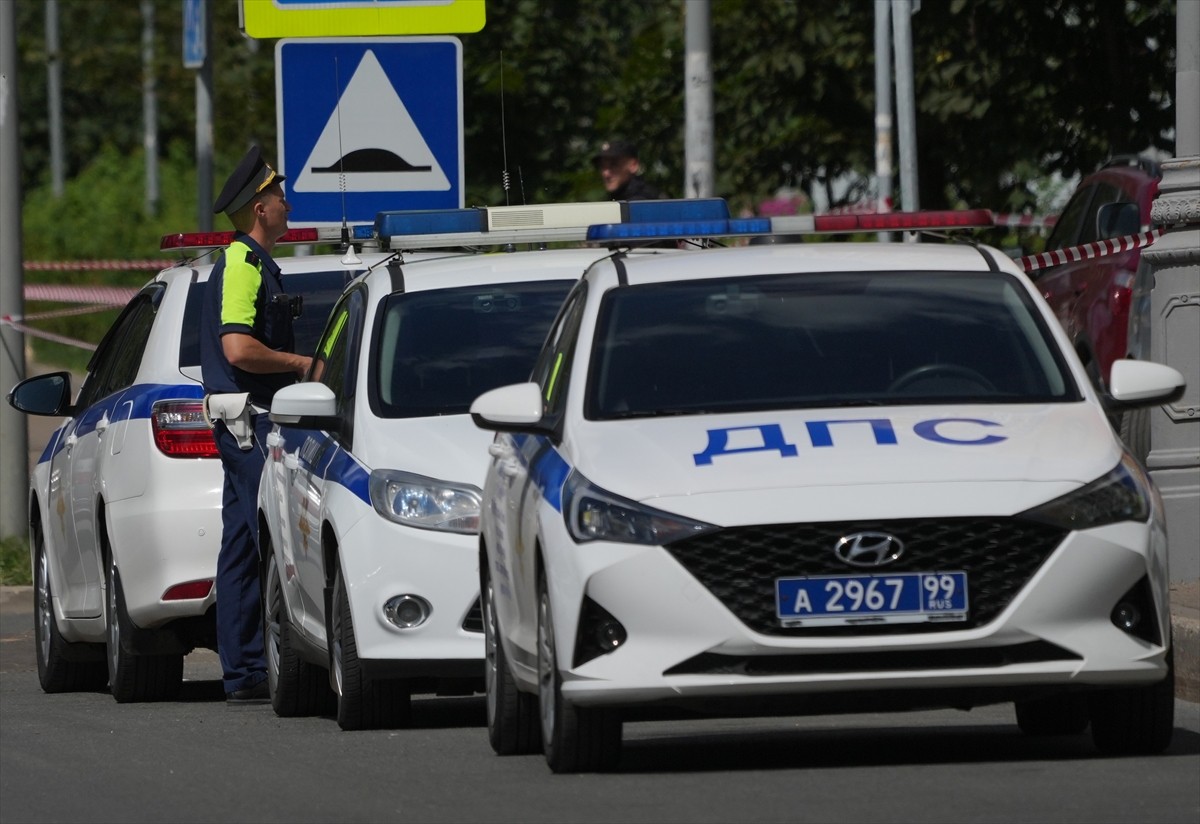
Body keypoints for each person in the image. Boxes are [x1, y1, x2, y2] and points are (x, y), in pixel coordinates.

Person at [199, 145, 311, 704]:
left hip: (244, 421)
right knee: (267, 540)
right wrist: (301, 364)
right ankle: (261, 666)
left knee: (242, 546)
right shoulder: (243, 264)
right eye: (279, 197)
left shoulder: (254, 263)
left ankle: (244, 672)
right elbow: (238, 349)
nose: (287, 204)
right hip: (250, 424)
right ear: (260, 210)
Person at [593, 139, 664, 200]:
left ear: (633, 165)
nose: (605, 174)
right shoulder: (616, 197)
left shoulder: (643, 201)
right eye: (602, 166)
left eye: (614, 165)